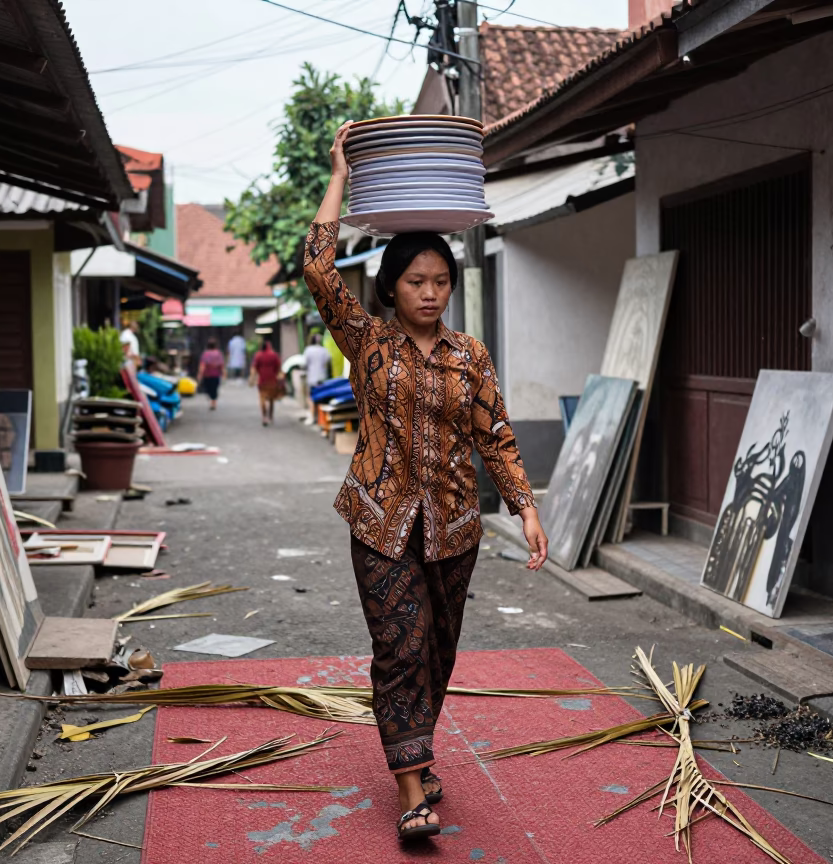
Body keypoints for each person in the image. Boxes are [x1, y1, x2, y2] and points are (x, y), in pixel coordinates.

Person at [303, 122, 548, 843]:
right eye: (418, 281)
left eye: (442, 281)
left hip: (454, 528)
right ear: (391, 287)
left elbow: (493, 433)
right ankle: (413, 788)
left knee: (438, 648)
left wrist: (526, 507)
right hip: (379, 520)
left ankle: (418, 752)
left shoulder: (469, 355)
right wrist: (340, 174)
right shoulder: (367, 340)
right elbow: (319, 271)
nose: (432, 292)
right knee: (400, 646)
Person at [251, 338, 282, 426]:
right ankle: (270, 416)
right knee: (271, 399)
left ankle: (264, 417)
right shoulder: (274, 355)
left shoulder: (258, 355)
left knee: (262, 399)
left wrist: (252, 379)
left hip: (262, 381)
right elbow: (278, 367)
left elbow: (254, 368)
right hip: (272, 381)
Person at [302, 332, 331, 412]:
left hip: (312, 377)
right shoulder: (323, 350)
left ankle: (312, 415)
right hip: (322, 376)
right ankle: (320, 416)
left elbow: (304, 363)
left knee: (311, 396)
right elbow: (328, 360)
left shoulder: (308, 350)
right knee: (322, 396)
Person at [197, 338, 225, 410]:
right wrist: (224, 373)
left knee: (209, 389)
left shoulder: (205, 353)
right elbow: (221, 365)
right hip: (216, 375)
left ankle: (213, 403)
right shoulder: (218, 353)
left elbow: (202, 365)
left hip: (207, 375)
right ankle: (213, 402)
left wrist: (200, 374)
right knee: (214, 389)